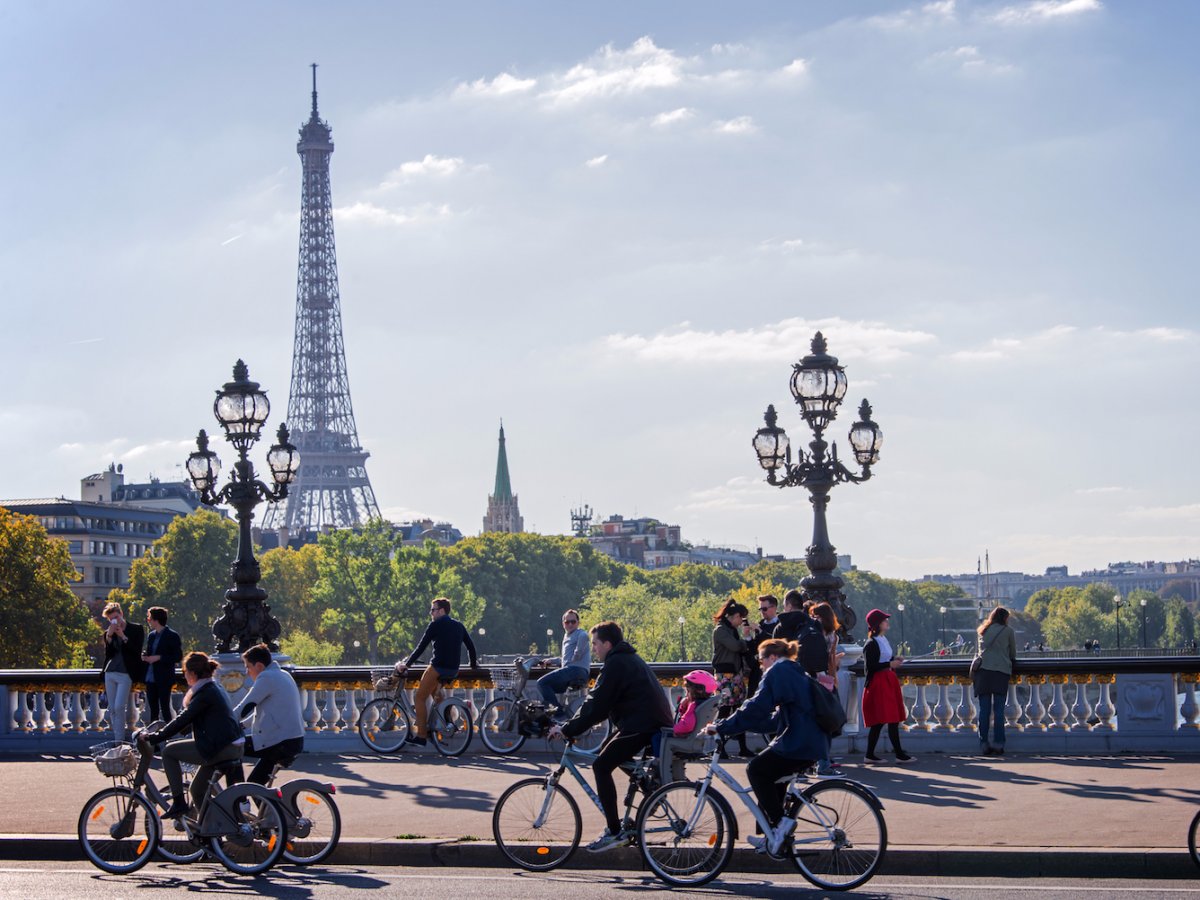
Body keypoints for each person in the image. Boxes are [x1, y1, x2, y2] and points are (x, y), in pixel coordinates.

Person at [548, 621, 672, 853]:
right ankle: (650, 788)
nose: (594, 648)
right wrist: (574, 725)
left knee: (601, 766)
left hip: (642, 724)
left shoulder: (616, 663)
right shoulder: (625, 658)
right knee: (608, 748)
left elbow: (596, 704)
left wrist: (566, 729)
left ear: (607, 644)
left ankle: (614, 832)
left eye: (595, 643)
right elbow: (600, 705)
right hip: (647, 722)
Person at [707, 638, 827, 856]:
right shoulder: (795, 671)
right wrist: (737, 727)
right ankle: (771, 837)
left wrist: (722, 726)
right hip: (811, 741)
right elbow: (773, 720)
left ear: (772, 657)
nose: (760, 664)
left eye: (760, 659)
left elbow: (755, 707)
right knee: (772, 776)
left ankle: (781, 824)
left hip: (798, 742)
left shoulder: (777, 672)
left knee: (756, 770)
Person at [148, 651, 245, 820]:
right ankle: (211, 829)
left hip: (220, 747)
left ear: (192, 673)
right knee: (197, 790)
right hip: (230, 745)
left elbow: (183, 718)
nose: (184, 676)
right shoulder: (214, 687)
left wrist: (156, 737)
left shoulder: (205, 693)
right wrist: (173, 729)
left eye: (184, 672)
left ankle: (179, 803)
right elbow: (190, 721)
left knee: (168, 752)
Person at [394, 597, 478, 747]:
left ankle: (421, 736)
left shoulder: (435, 625)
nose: (431, 613)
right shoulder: (458, 625)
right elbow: (471, 647)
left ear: (441, 611)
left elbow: (421, 647)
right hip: (453, 670)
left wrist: (407, 664)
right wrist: (473, 665)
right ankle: (444, 726)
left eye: (433, 610)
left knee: (419, 698)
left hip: (438, 667)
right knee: (438, 697)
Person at [233, 643, 306, 783]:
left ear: (259, 666)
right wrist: (241, 725)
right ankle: (249, 794)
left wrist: (225, 721)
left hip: (279, 742)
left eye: (248, 667)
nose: (247, 672)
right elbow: (262, 711)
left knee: (231, 747)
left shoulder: (266, 677)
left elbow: (246, 706)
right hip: (292, 741)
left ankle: (236, 792)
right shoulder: (283, 674)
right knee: (254, 784)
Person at [861, 608, 915, 764]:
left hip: (888, 680)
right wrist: (889, 664)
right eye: (884, 620)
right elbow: (870, 667)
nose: (887, 621)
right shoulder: (871, 643)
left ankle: (871, 755)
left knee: (890, 719)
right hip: (879, 683)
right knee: (886, 719)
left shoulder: (882, 639)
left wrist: (894, 659)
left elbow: (884, 659)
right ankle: (898, 754)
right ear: (878, 624)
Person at [657, 669, 720, 784]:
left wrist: (674, 730)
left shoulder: (694, 705)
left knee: (662, 738)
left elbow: (686, 725)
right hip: (696, 741)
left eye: (688, 688)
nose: (686, 690)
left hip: (687, 741)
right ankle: (678, 777)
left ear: (699, 690)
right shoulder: (703, 704)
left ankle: (665, 777)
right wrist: (684, 705)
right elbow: (689, 718)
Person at [712, 598, 754, 758]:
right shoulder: (721, 630)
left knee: (738, 711)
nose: (741, 622)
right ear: (735, 616)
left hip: (735, 675)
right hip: (725, 676)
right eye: (741, 618)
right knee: (724, 711)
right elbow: (735, 646)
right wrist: (744, 641)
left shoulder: (730, 630)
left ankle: (743, 747)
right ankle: (720, 748)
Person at [973, 606, 1018, 756]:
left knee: (984, 710)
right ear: (1005, 618)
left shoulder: (983, 630)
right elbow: (1013, 653)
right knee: (999, 711)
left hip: (983, 673)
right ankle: (999, 743)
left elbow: (978, 652)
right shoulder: (1008, 631)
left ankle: (983, 743)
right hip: (1000, 673)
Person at [101, 601, 145, 742]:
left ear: (121, 614)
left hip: (126, 673)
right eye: (111, 619)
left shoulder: (136, 629)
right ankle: (118, 740)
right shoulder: (109, 633)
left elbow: (136, 651)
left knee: (119, 706)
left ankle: (120, 740)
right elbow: (109, 654)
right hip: (110, 672)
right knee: (113, 708)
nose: (115, 621)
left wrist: (123, 636)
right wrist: (109, 637)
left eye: (116, 617)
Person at [810, 601, 844, 776]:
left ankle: (821, 760)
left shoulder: (818, 634)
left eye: (816, 616)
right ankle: (822, 761)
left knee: (822, 722)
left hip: (821, 679)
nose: (813, 619)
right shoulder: (831, 635)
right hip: (826, 679)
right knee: (826, 721)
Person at [537, 608, 591, 718]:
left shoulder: (580, 633)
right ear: (563, 624)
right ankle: (557, 713)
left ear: (578, 623)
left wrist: (577, 654)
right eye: (567, 622)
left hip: (576, 671)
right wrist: (551, 661)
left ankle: (559, 715)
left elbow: (584, 638)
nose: (570, 624)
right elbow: (566, 659)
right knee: (547, 690)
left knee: (542, 683)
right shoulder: (567, 636)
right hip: (571, 671)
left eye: (573, 622)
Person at [141, 606, 182, 723]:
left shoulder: (172, 636)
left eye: (149, 618)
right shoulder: (151, 636)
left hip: (164, 677)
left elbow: (177, 656)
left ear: (156, 620)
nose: (148, 621)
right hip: (150, 677)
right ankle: (154, 732)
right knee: (152, 709)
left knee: (165, 708)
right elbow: (150, 652)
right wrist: (145, 656)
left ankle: (168, 731)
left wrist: (159, 657)